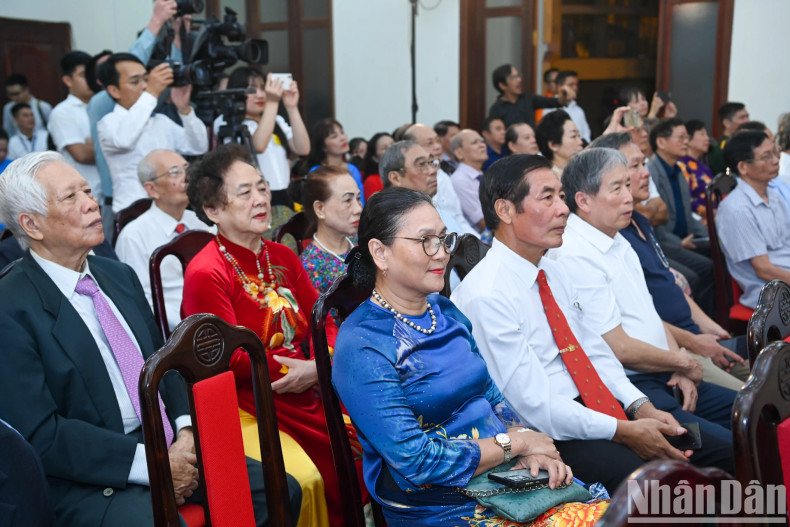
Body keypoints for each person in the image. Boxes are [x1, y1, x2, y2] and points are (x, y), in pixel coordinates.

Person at [0, 151, 301, 526]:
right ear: (32, 224)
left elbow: (166, 362)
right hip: (94, 473)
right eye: (71, 197)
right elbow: (43, 434)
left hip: (168, 439)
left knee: (279, 489)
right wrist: (154, 464)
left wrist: (185, 432)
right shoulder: (11, 306)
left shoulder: (117, 275)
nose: (91, 204)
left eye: (88, 191)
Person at [333, 187, 606, 526]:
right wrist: (516, 444)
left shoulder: (444, 311)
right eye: (425, 241)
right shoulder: (362, 344)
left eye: (443, 239)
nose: (441, 254)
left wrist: (531, 449)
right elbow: (417, 461)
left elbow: (490, 395)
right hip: (442, 503)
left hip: (505, 478)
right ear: (380, 252)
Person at [182, 144, 355, 527]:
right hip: (248, 403)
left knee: (366, 441)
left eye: (262, 188)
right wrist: (306, 370)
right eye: (245, 192)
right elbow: (226, 360)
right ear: (212, 209)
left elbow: (322, 319)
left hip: (305, 386)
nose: (261, 199)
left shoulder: (282, 255)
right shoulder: (207, 272)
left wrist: (319, 364)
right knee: (307, 480)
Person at [547, 149, 738, 448]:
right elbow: (620, 349)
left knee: (753, 413)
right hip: (633, 386)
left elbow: (650, 315)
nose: (630, 197)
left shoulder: (617, 238)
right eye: (617, 188)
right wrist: (682, 361)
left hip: (665, 370)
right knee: (727, 447)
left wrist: (678, 364)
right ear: (583, 201)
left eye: (628, 185)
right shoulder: (574, 253)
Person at [589, 132, 749, 389]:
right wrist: (693, 344)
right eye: (635, 166)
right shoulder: (614, 237)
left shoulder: (640, 221)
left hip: (693, 339)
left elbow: (670, 285)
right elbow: (640, 316)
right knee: (752, 399)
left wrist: (713, 329)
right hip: (673, 349)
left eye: (644, 163)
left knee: (773, 373)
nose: (646, 173)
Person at [115, 150, 214, 332]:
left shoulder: (204, 222)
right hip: (175, 333)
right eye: (175, 172)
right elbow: (142, 302)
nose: (187, 178)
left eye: (187, 169)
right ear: (152, 189)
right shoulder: (134, 236)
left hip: (218, 319)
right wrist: (192, 325)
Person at [97, 53, 208, 214]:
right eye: (135, 81)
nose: (144, 86)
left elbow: (198, 146)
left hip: (170, 209)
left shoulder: (160, 120)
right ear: (114, 91)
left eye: (146, 79)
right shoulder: (109, 123)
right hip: (133, 211)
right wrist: (151, 93)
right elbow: (124, 140)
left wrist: (184, 110)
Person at [214, 67, 310, 236]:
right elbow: (258, 145)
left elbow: (303, 148)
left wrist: (291, 107)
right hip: (255, 198)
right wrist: (272, 103)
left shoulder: (276, 120)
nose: (260, 95)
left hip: (285, 196)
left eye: (263, 88)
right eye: (252, 90)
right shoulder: (227, 122)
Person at [647, 118, 714, 316]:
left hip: (685, 237)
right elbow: (654, 222)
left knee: (718, 252)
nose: (686, 142)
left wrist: (709, 233)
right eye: (681, 137)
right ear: (661, 142)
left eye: (687, 137)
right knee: (705, 268)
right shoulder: (651, 172)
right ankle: (698, 321)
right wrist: (679, 243)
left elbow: (687, 214)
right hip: (664, 241)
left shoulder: (678, 170)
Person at [716, 130, 790, 309]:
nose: (775, 160)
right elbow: (764, 269)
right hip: (772, 292)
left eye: (775, 152)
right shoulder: (737, 209)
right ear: (743, 167)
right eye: (766, 156)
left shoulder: (774, 196)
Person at [403, 124, 478, 237]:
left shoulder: (443, 175)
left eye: (438, 141)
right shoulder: (414, 179)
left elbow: (458, 217)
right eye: (430, 143)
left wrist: (477, 241)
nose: (438, 146)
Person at [297, 166, 362, 293]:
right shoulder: (310, 267)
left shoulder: (360, 242)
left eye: (358, 198)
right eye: (348, 200)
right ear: (320, 209)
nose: (358, 209)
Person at [48, 51, 102, 204]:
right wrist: (111, 146)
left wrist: (94, 144)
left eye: (93, 74)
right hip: (85, 195)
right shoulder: (62, 112)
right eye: (84, 75)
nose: (92, 79)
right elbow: (81, 154)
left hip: (111, 191)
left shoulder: (104, 105)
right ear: (68, 80)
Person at [487, 64, 569, 128]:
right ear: (502, 85)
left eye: (518, 76)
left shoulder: (528, 99)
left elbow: (557, 102)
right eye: (513, 78)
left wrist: (565, 92)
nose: (519, 80)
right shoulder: (496, 109)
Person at [307, 118, 364, 205]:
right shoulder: (317, 172)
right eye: (334, 136)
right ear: (323, 147)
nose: (343, 138)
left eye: (342, 132)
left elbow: (361, 202)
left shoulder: (353, 169)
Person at [449, 129, 488, 233]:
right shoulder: (460, 180)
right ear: (459, 153)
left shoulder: (481, 175)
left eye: (482, 141)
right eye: (474, 142)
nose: (482, 145)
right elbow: (484, 222)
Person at [677, 120, 714, 220]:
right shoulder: (682, 165)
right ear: (688, 139)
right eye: (702, 134)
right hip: (696, 221)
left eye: (707, 135)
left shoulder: (703, 166)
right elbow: (685, 199)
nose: (707, 138)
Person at [542, 71, 591, 144]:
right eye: (571, 85)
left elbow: (586, 135)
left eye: (576, 84)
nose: (575, 88)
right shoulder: (549, 108)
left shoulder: (579, 110)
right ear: (560, 87)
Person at [535, 110, 583, 177]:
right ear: (553, 145)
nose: (580, 142)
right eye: (573, 136)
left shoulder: (584, 170)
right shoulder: (547, 178)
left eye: (579, 136)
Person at [708, 102, 750, 176]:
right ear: (726, 123)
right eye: (742, 118)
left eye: (747, 117)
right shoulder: (723, 148)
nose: (747, 121)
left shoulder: (741, 143)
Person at [361, 132, 394, 200]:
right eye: (385, 148)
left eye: (393, 144)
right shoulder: (372, 181)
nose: (392, 149)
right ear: (375, 158)